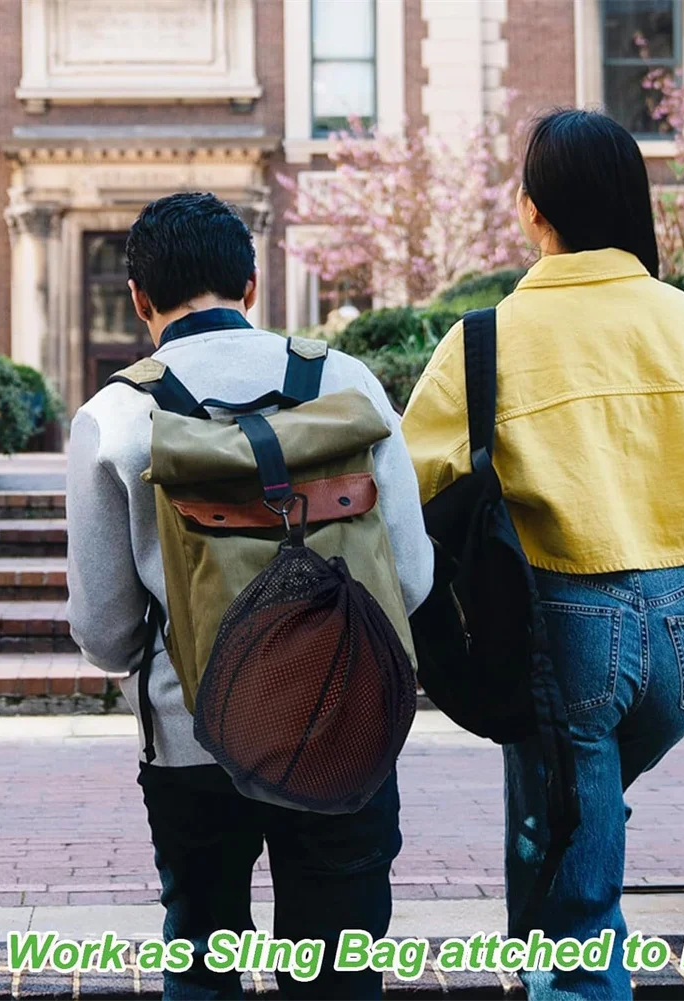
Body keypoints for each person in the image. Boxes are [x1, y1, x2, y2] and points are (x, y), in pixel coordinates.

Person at [401, 109, 684, 1000]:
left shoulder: (485, 340)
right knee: (572, 806)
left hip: (565, 626)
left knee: (580, 898)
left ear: (530, 210)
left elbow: (408, 486)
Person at [65, 192, 433, 1001]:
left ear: (138, 298)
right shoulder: (347, 382)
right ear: (253, 284)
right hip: (345, 722)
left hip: (196, 736)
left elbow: (104, 632)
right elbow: (409, 578)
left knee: (202, 956)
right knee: (340, 967)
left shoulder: (115, 415)